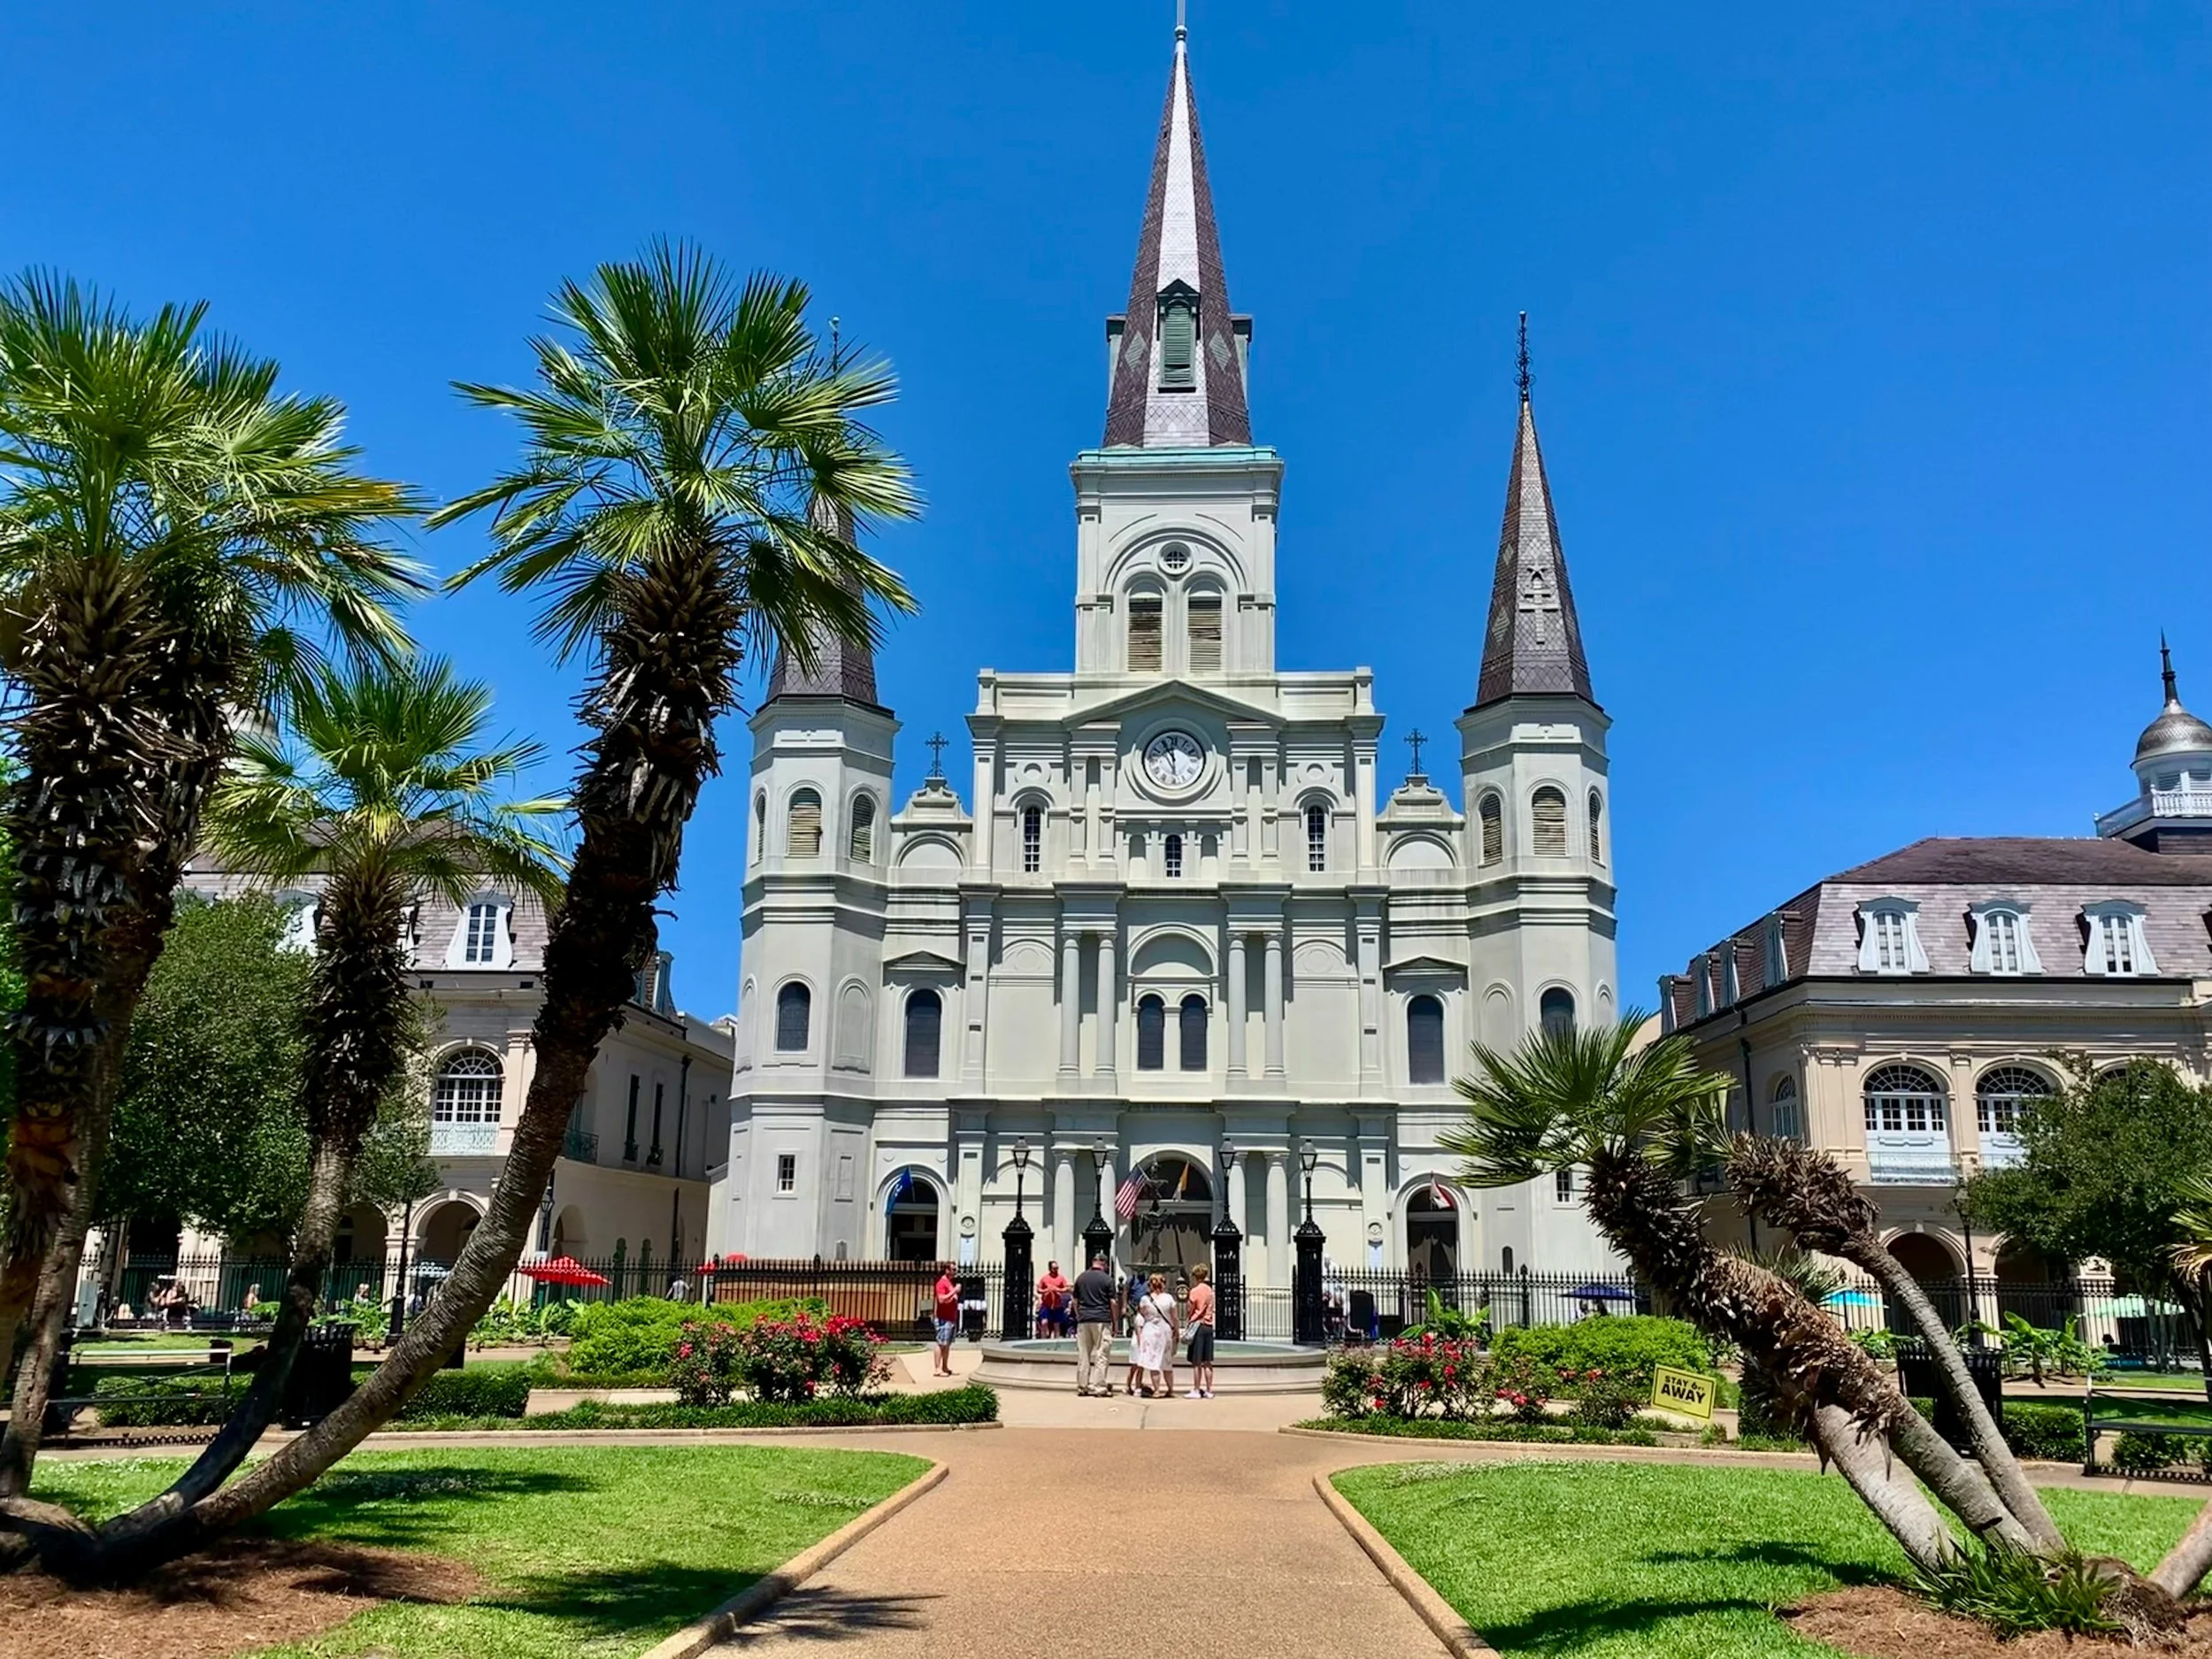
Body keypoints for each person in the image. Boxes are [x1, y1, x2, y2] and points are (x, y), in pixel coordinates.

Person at [1071, 1253, 1118, 1395]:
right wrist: (1115, 1322)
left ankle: (1082, 1386)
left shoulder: (1081, 1278)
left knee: (1083, 1355)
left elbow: (1075, 1301)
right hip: (1101, 1320)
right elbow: (1113, 1302)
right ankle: (1099, 1387)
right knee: (1101, 1354)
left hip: (1084, 1320)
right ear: (1104, 1264)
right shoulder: (1108, 1280)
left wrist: (1079, 1315)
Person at [1132, 1272, 1178, 1398]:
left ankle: (1157, 1390)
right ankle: (1170, 1390)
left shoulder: (1145, 1300)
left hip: (1150, 1331)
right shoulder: (1169, 1298)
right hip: (1166, 1331)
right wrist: (1177, 1331)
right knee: (1166, 1361)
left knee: (1153, 1362)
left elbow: (1142, 1313)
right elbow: (1175, 1317)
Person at [1184, 1263, 1217, 1399]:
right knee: (1207, 1361)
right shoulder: (1210, 1291)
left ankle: (1196, 1389)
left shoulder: (1194, 1291)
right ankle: (1209, 1390)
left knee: (1197, 1361)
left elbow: (1190, 1308)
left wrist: (1189, 1316)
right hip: (1208, 1326)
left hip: (1197, 1326)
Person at [932, 1261, 960, 1378]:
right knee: (941, 1343)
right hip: (943, 1319)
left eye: (955, 1270)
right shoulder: (941, 1283)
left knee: (947, 1344)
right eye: (953, 1270)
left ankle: (945, 1366)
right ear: (947, 1270)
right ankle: (937, 1368)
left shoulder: (949, 1283)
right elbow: (941, 1299)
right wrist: (954, 1291)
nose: (955, 1272)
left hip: (950, 1318)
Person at [1037, 1260, 1071, 1337]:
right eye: (1054, 1268)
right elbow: (1039, 1289)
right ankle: (1043, 1340)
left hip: (1057, 1305)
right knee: (1044, 1323)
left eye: (1057, 1268)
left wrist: (1058, 1290)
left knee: (1057, 1325)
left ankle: (1056, 1342)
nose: (1056, 1270)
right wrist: (1046, 1290)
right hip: (1046, 1305)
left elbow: (1067, 1288)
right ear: (1050, 1269)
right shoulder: (1044, 1278)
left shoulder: (1061, 1278)